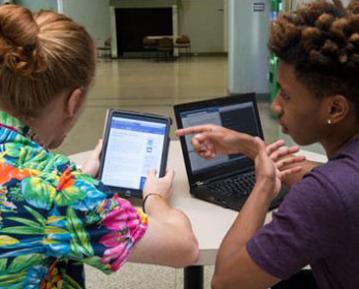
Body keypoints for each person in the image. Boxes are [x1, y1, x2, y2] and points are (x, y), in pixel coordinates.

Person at [0, 4, 198, 289]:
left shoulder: (55, 183)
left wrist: (78, 174)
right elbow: (184, 248)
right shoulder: (59, 192)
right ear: (74, 101)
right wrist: (154, 197)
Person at [176, 0, 359, 288]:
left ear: (335, 109)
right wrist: (253, 148)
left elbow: (226, 282)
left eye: (286, 95)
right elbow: (335, 182)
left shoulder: (323, 196)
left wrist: (264, 183)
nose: (275, 106)